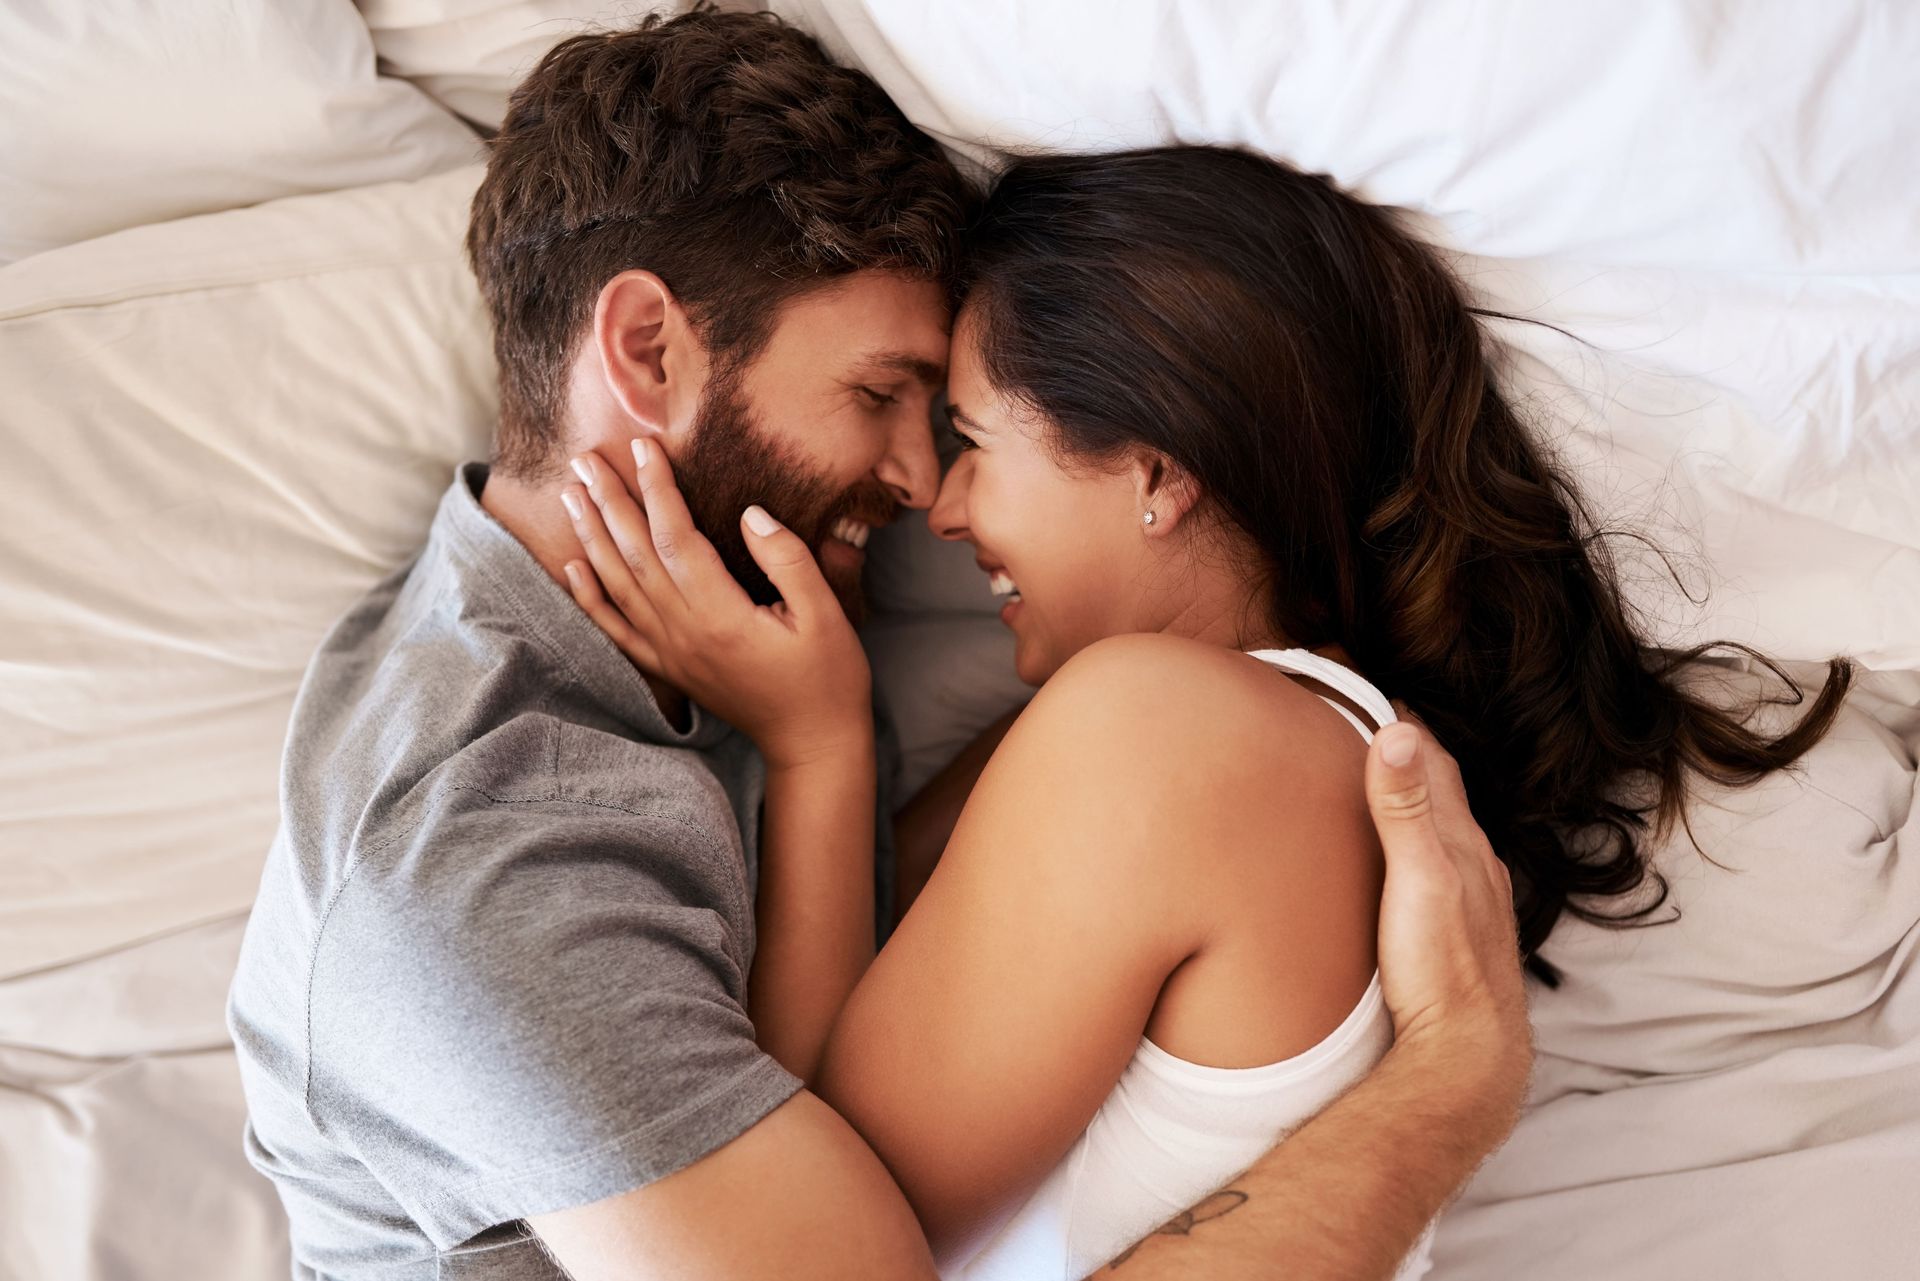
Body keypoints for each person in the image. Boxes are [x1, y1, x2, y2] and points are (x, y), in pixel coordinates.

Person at [226, 11, 1531, 1279]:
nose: (921, 483)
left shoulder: (729, 652)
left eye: (952, 425)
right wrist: (1446, 1090)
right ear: (646, 349)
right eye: (879, 395)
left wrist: (819, 745)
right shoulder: (473, 861)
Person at [553, 144, 1852, 1278]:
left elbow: (787, 1233)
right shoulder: (1279, 740)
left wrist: (819, 743)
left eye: (973, 438)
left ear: (1156, 474)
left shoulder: (1163, 735)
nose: (942, 512)